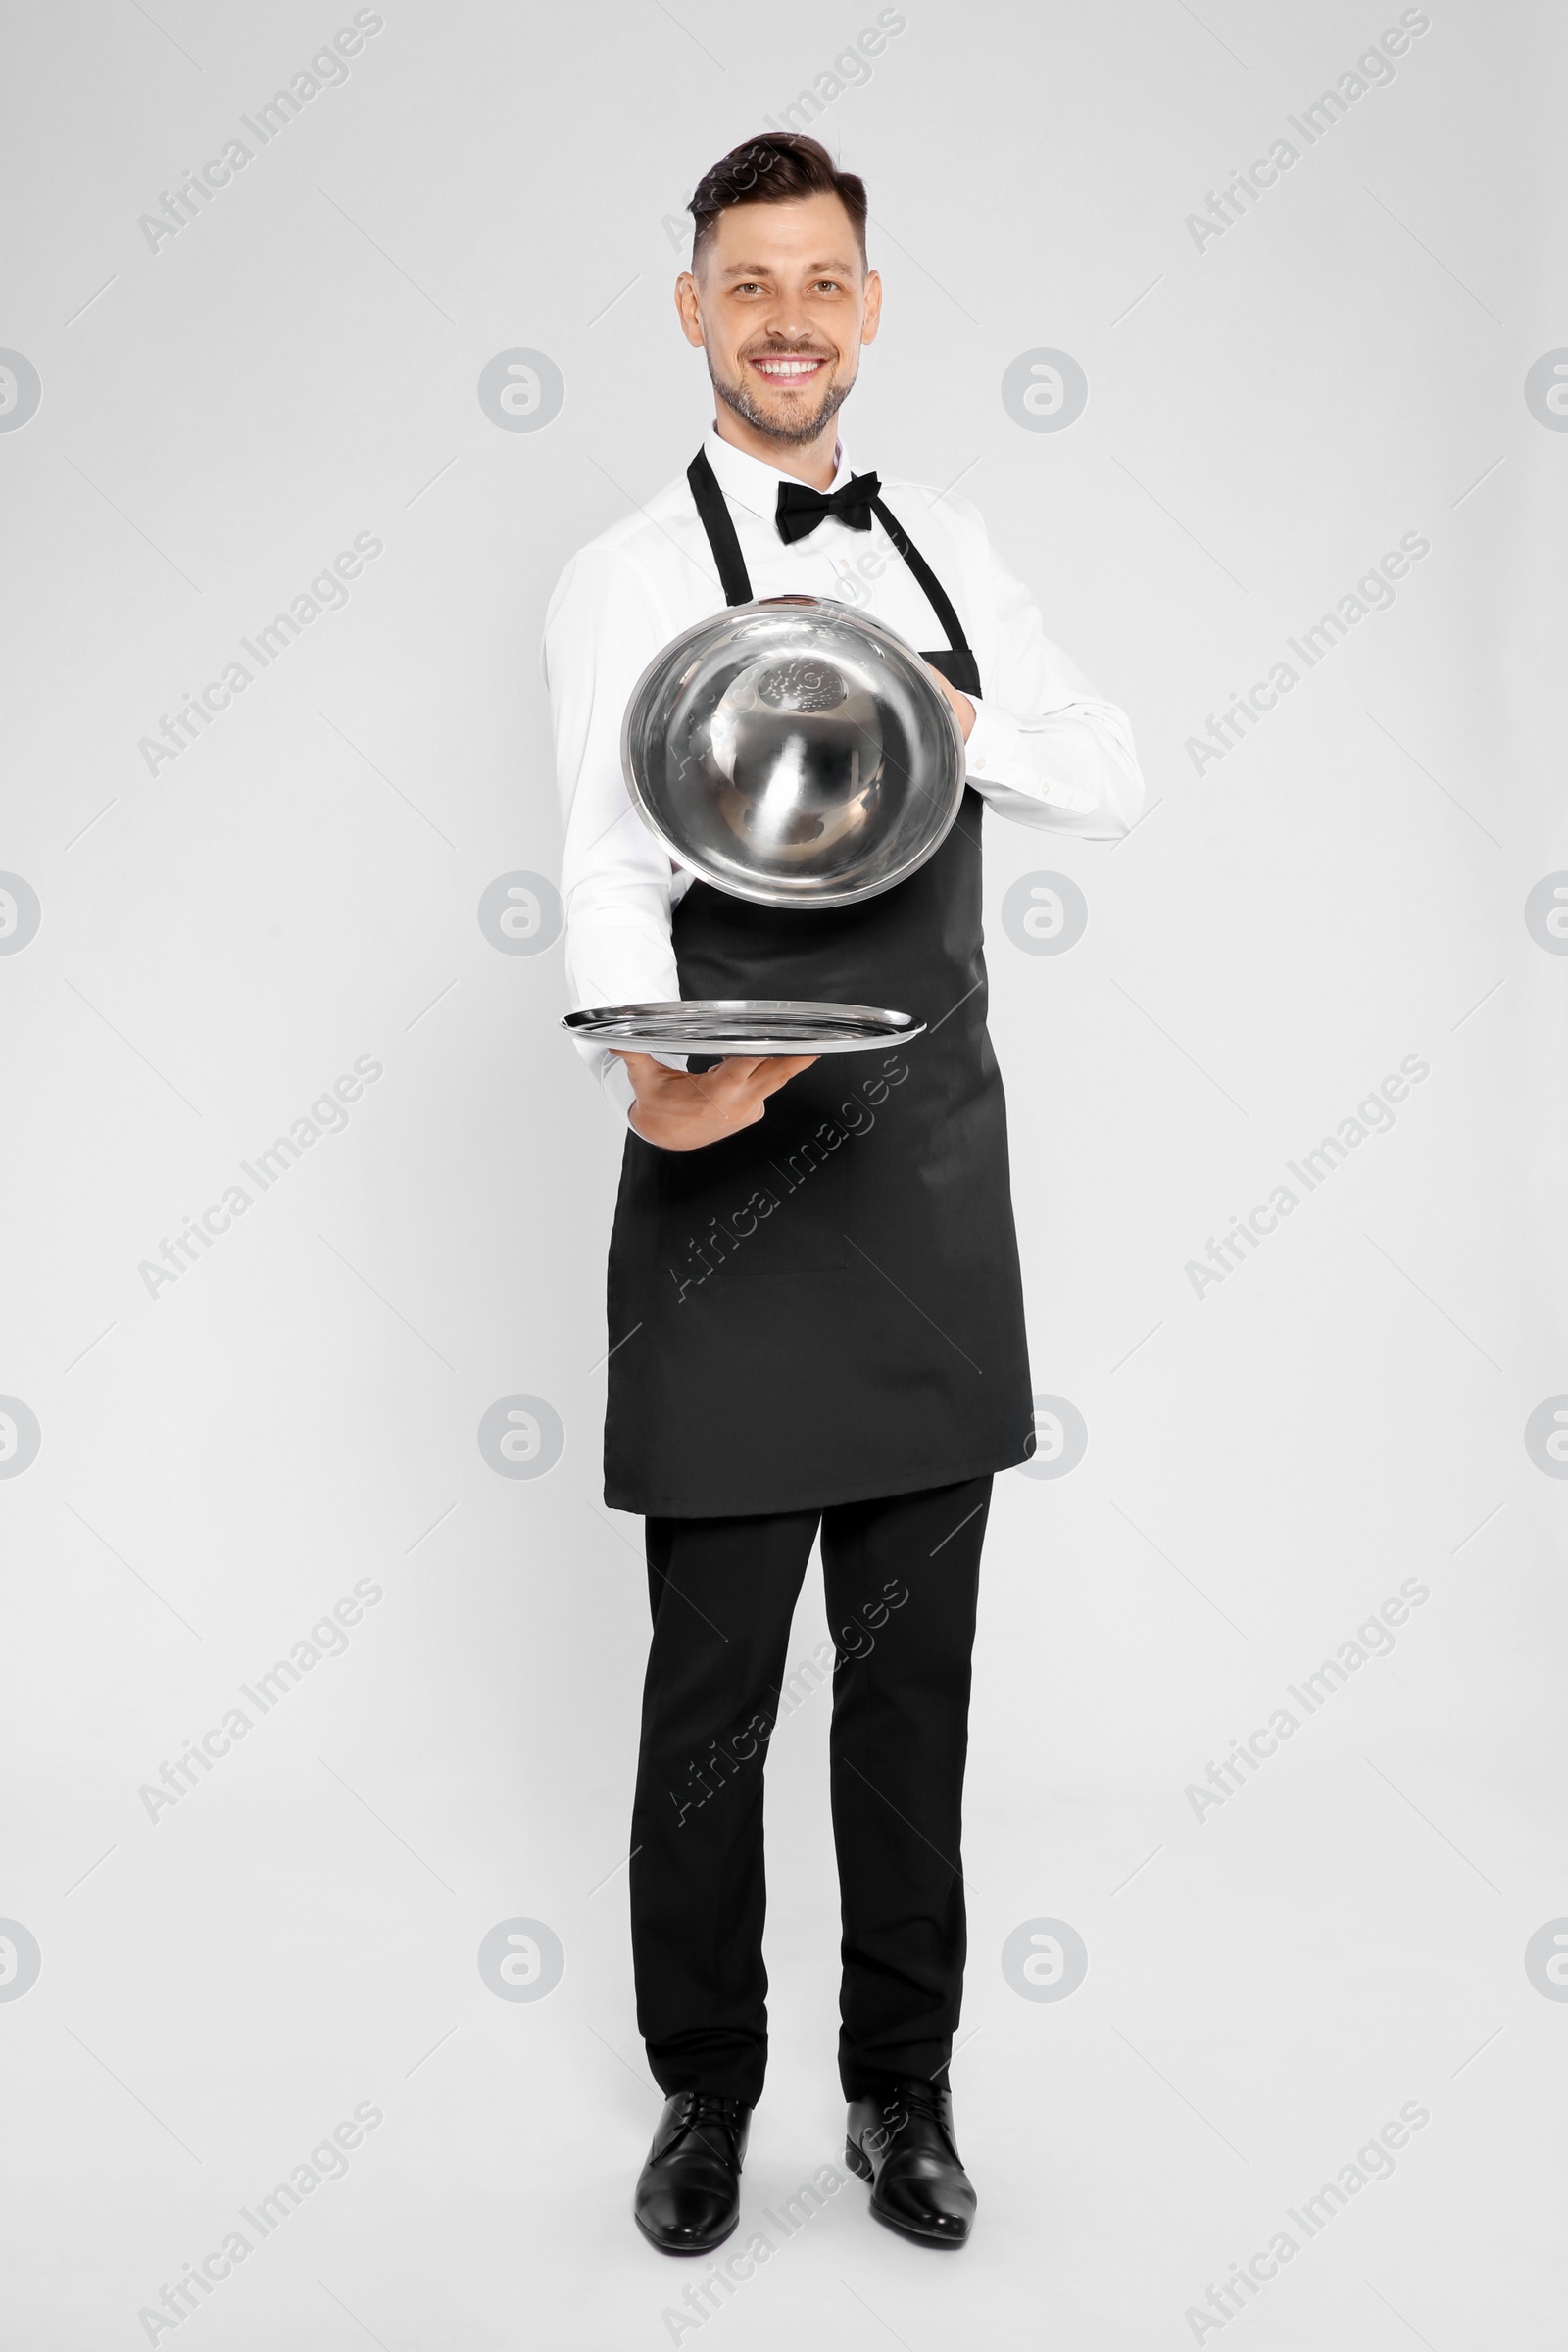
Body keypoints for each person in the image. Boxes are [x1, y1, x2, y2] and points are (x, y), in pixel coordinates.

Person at [545, 132, 1144, 2256]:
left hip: (923, 1191)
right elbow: (610, 875)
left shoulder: (951, 541)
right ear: (693, 310)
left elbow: (1108, 767)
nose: (787, 317)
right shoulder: (620, 573)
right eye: (747, 283)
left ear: (868, 306)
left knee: (913, 1691)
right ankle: (704, 2097)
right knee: (707, 1698)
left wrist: (934, 696)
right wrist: (658, 1082)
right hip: (723, 1175)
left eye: (822, 280)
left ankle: (900, 2097)